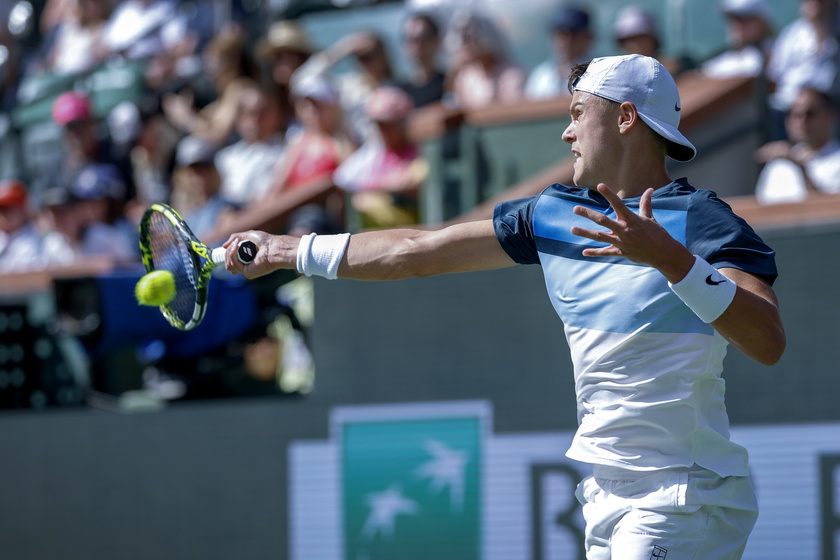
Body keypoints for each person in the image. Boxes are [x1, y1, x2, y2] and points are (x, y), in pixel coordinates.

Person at [221, 54, 785, 558]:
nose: (567, 133)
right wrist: (288, 249)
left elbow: (767, 341)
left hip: (683, 494)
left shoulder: (701, 221)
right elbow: (417, 250)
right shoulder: (551, 214)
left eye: (577, 113)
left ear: (626, 118)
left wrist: (673, 261)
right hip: (604, 494)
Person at [333, 86, 428, 228]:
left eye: (387, 124)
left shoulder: (421, 150)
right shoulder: (374, 152)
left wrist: (369, 189)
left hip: (412, 229)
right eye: (378, 124)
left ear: (402, 122)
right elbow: (342, 178)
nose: (381, 130)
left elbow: (410, 183)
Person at [766, 0, 839, 139]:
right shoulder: (791, 34)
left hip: (828, 112)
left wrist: (819, 25)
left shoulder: (835, 31)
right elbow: (775, 75)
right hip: (787, 111)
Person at [754, 85, 840, 203]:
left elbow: (827, 213)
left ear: (830, 116)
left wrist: (799, 167)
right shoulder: (777, 163)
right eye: (795, 114)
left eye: (810, 113)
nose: (802, 121)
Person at [215, 85, 289, 206]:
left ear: (277, 114)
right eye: (250, 113)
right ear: (239, 118)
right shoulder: (224, 159)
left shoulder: (288, 148)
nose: (256, 119)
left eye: (263, 112)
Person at [443, 8, 526, 110]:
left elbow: (510, 112)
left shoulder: (511, 74)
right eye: (463, 38)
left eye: (469, 37)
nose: (465, 44)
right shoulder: (466, 77)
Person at [525, 5, 593, 101]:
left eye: (574, 33)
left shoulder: (598, 72)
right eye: (561, 33)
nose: (567, 40)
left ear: (588, 36)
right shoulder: (541, 75)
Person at [612, 5, 693, 78]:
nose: (632, 44)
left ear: (652, 39)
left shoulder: (675, 68)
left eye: (639, 38)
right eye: (626, 40)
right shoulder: (617, 75)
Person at [700, 0, 775, 79]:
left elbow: (751, 66)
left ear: (761, 21)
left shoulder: (779, 54)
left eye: (745, 18)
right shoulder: (727, 59)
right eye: (733, 18)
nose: (738, 25)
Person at [398, 12, 446, 108]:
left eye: (425, 38)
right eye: (412, 39)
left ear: (437, 40)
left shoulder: (449, 84)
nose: (419, 45)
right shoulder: (399, 93)